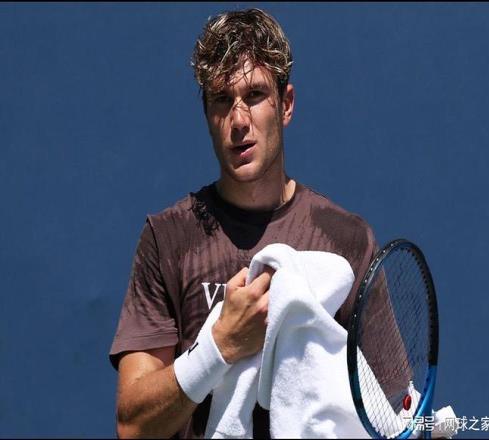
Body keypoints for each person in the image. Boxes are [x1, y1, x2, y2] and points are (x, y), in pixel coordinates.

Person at [109, 8, 377, 439]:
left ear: (285, 105)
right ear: (206, 114)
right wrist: (220, 345)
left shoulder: (347, 240)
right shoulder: (166, 239)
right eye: (221, 100)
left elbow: (390, 410)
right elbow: (134, 425)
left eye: (254, 95)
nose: (238, 121)